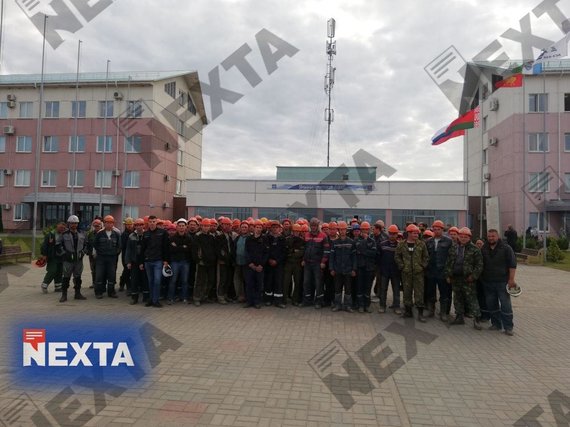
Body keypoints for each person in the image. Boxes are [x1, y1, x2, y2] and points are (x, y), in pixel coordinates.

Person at [480, 229, 518, 336]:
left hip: (502, 282)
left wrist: (511, 279)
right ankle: (496, 324)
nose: (491, 238)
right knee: (491, 305)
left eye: (493, 236)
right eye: (489, 236)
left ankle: (508, 327)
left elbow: (512, 265)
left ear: (498, 236)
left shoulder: (506, 248)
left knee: (505, 305)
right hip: (488, 282)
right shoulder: (484, 248)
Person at [445, 227, 483, 330]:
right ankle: (459, 317)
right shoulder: (453, 248)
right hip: (455, 278)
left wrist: (473, 276)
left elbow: (479, 266)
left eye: (465, 237)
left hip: (468, 279)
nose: (463, 238)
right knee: (457, 298)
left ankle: (477, 319)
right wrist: (448, 275)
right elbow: (448, 262)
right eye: (461, 236)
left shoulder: (475, 249)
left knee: (471, 299)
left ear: (469, 238)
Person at [395, 224, 429, 321]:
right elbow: (397, 256)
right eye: (414, 233)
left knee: (419, 293)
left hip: (418, 273)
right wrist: (402, 266)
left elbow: (426, 257)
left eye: (417, 233)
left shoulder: (421, 244)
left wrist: (422, 266)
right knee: (407, 292)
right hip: (406, 273)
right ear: (408, 233)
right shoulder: (401, 244)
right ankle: (408, 311)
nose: (416, 235)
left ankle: (420, 314)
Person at [425, 220, 453, 321]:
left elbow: (451, 257)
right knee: (430, 292)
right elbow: (425, 256)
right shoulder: (428, 241)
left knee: (444, 293)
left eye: (438, 229)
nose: (436, 231)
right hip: (431, 272)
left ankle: (443, 313)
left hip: (442, 272)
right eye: (435, 229)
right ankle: (431, 310)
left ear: (442, 230)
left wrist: (448, 272)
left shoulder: (448, 241)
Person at [56, 215, 88, 302]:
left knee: (78, 278)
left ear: (78, 224)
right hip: (68, 260)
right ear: (69, 224)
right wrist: (64, 254)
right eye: (72, 223)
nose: (74, 225)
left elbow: (87, 244)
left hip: (78, 260)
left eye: (75, 223)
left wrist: (83, 252)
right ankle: (64, 295)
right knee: (66, 278)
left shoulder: (83, 233)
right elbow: (58, 245)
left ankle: (77, 294)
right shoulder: (64, 234)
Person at [140, 215, 170, 308]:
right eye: (150, 222)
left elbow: (166, 247)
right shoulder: (145, 234)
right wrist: (141, 262)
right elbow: (142, 249)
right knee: (150, 281)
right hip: (148, 261)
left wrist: (166, 260)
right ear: (148, 223)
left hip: (158, 261)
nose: (152, 223)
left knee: (157, 281)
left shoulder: (163, 233)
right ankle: (151, 300)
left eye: (153, 221)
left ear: (156, 222)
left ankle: (156, 300)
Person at [300, 218, 330, 308]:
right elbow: (304, 249)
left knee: (318, 283)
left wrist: (323, 262)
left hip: (318, 264)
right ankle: (307, 300)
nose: (313, 227)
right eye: (312, 225)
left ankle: (319, 302)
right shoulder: (306, 235)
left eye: (315, 226)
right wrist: (303, 260)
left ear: (318, 226)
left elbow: (326, 250)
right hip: (307, 264)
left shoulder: (323, 236)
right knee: (306, 282)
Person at [329, 221, 356, 312]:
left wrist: (354, 269)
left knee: (348, 289)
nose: (342, 231)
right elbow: (331, 257)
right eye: (340, 229)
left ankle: (347, 306)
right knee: (337, 289)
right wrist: (331, 268)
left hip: (348, 270)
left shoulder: (351, 242)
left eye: (344, 229)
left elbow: (354, 257)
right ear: (338, 231)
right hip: (337, 270)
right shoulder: (335, 242)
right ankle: (338, 305)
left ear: (346, 230)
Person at [93, 215, 122, 299]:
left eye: (111, 223)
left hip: (112, 258)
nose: (109, 224)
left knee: (112, 275)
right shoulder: (100, 234)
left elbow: (119, 246)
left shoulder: (116, 234)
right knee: (99, 275)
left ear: (113, 224)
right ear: (104, 223)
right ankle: (98, 292)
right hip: (101, 258)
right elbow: (95, 244)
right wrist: (100, 252)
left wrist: (114, 253)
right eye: (107, 222)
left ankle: (111, 292)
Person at [167, 218, 193, 304]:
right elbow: (171, 249)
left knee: (185, 281)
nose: (181, 227)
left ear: (186, 227)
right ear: (177, 227)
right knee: (173, 280)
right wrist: (183, 247)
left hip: (185, 262)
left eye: (183, 226)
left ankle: (184, 297)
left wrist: (177, 247)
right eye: (180, 226)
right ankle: (171, 298)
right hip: (175, 262)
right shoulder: (172, 238)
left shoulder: (189, 238)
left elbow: (189, 249)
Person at [378, 225, 402, 314]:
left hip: (395, 272)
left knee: (396, 290)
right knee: (383, 290)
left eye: (394, 234)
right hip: (384, 271)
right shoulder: (382, 244)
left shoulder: (400, 245)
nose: (392, 235)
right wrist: (380, 270)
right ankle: (382, 306)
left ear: (397, 234)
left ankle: (397, 306)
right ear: (388, 234)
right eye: (391, 234)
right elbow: (378, 258)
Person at [192, 218, 217, 306]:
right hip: (201, 263)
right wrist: (198, 260)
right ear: (201, 226)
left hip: (211, 263)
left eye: (207, 226)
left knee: (210, 280)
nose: (206, 227)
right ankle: (197, 298)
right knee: (199, 281)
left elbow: (214, 249)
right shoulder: (197, 236)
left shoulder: (212, 237)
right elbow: (195, 250)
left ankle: (205, 296)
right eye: (204, 226)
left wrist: (213, 259)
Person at [245, 220, 269, 308]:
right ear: (254, 228)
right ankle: (249, 301)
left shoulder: (265, 239)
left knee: (259, 284)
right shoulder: (249, 239)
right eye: (257, 227)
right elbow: (246, 251)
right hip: (250, 266)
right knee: (249, 284)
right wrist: (250, 263)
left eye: (260, 227)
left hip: (260, 267)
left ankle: (257, 302)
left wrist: (261, 265)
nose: (258, 229)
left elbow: (266, 253)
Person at [354, 221, 377, 313]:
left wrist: (363, 252)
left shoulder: (372, 240)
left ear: (369, 230)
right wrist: (365, 244)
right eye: (363, 229)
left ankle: (366, 305)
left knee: (368, 287)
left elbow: (374, 253)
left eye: (366, 229)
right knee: (359, 287)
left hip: (369, 268)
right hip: (360, 267)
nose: (365, 231)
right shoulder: (356, 240)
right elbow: (358, 250)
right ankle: (360, 305)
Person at [264, 221, 287, 308]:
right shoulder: (267, 238)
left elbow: (284, 253)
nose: (274, 229)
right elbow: (265, 250)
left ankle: (278, 301)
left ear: (279, 228)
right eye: (273, 227)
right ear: (270, 228)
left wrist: (277, 261)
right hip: (269, 263)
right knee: (269, 281)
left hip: (279, 264)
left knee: (278, 282)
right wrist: (269, 260)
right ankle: (268, 300)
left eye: (276, 227)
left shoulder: (282, 239)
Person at [125, 218, 147, 305]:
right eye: (137, 225)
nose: (139, 227)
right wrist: (128, 262)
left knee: (145, 279)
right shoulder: (131, 236)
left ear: (143, 225)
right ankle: (134, 298)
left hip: (145, 261)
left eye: (140, 225)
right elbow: (128, 250)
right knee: (134, 279)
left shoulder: (147, 235)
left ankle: (146, 297)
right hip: (134, 261)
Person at [39, 222, 66, 293]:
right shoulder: (50, 235)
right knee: (52, 270)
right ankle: (44, 284)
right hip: (52, 256)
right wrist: (44, 254)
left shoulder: (64, 234)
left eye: (63, 228)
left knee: (60, 271)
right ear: (57, 226)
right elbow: (44, 245)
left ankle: (58, 287)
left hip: (61, 256)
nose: (62, 229)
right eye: (61, 227)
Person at [283, 223, 305, 306]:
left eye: (298, 231)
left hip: (297, 264)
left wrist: (294, 252)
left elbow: (302, 252)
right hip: (288, 263)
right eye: (295, 231)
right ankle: (284, 299)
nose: (296, 232)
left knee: (297, 282)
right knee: (286, 282)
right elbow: (286, 251)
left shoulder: (302, 241)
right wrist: (294, 251)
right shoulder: (287, 240)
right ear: (292, 231)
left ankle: (295, 300)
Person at [216, 217, 236, 304]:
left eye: (228, 225)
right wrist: (222, 258)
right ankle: (220, 296)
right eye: (225, 224)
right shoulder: (219, 236)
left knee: (228, 279)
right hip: (222, 262)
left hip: (229, 262)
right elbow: (217, 250)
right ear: (221, 225)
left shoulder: (231, 236)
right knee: (222, 280)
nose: (227, 226)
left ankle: (225, 295)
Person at [233, 221, 250, 303]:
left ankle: (247, 297)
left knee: (247, 280)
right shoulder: (237, 238)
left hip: (247, 263)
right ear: (240, 228)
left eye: (245, 227)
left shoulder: (250, 238)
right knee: (237, 280)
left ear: (248, 228)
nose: (244, 228)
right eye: (242, 227)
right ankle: (239, 296)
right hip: (238, 263)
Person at [118, 217, 135, 293]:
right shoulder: (124, 234)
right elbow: (123, 246)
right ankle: (128, 287)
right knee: (127, 270)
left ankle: (122, 283)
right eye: (127, 224)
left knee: (128, 271)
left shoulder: (134, 233)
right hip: (125, 255)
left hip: (133, 255)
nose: (129, 226)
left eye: (130, 224)